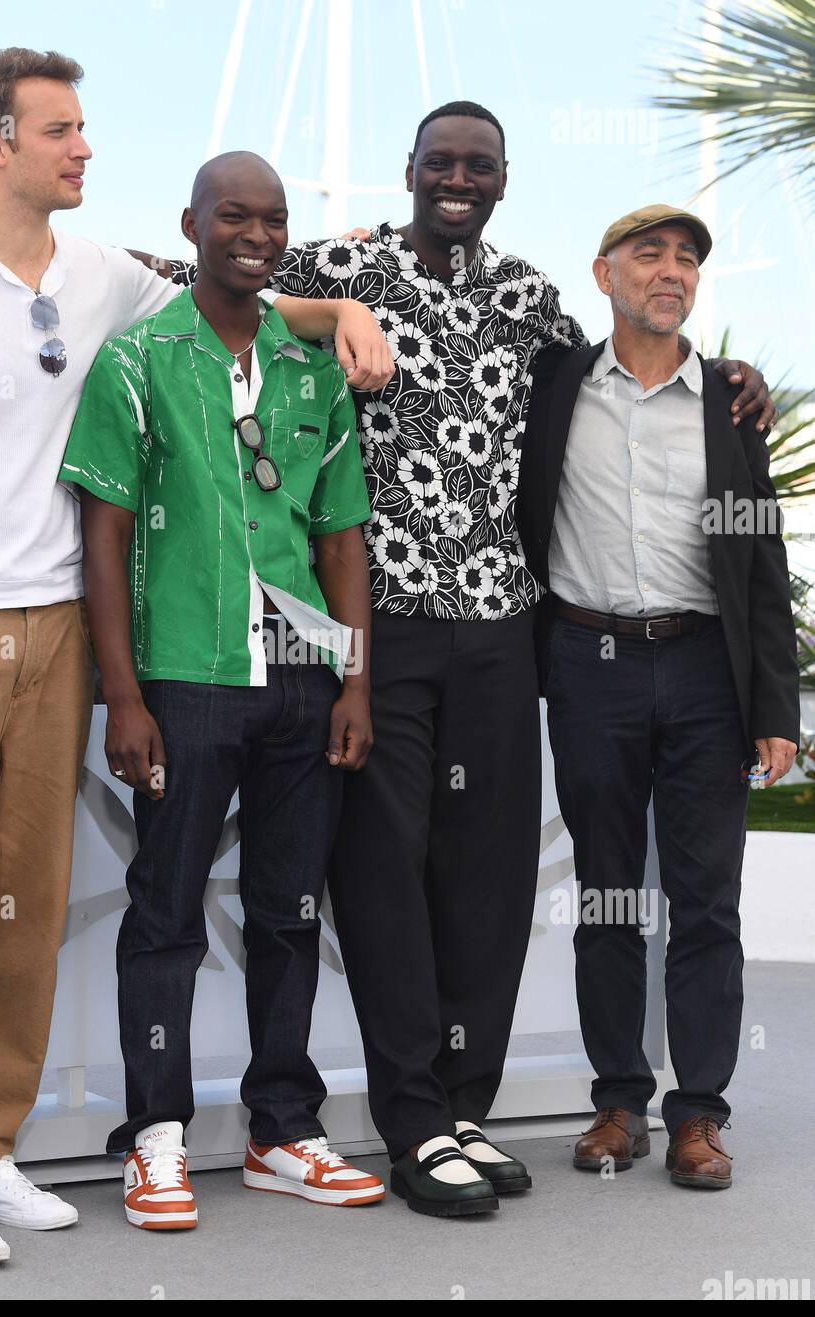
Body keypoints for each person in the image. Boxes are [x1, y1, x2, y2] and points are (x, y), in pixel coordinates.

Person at [0, 47, 390, 1269]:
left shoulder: (101, 274)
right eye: (61, 129)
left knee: (24, 911)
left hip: (63, 631)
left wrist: (341, 310)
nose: (84, 148)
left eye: (84, 129)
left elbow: (237, 302)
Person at [138, 103, 775, 1216]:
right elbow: (197, 276)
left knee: (484, 883)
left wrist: (736, 381)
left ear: (502, 180)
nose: (458, 179)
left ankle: (464, 1103)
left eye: (478, 165)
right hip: (375, 623)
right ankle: (412, 1121)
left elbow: (615, 373)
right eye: (441, 162)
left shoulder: (533, 300)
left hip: (502, 627)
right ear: (410, 170)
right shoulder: (346, 264)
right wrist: (332, 305)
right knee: (381, 873)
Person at [58, 150, 392, 1231]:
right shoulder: (138, 359)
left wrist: (352, 680)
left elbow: (341, 537)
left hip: (303, 678)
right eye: (233, 216)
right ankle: (153, 1139)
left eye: (272, 219)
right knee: (163, 913)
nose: (254, 233)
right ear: (192, 223)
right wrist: (125, 695)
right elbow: (103, 538)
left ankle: (281, 1129)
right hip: (186, 677)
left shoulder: (313, 374)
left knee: (291, 909)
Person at [517, 205, 799, 1189]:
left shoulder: (727, 405)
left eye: (684, 257)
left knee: (704, 904)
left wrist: (775, 708)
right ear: (604, 275)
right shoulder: (552, 385)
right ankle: (615, 1104)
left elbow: (760, 561)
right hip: (587, 662)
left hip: (701, 673)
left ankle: (697, 1116)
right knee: (606, 896)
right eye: (648, 254)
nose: (669, 270)